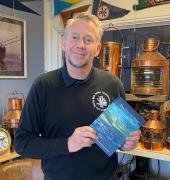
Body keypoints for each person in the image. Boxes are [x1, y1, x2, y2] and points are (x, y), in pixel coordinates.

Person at [14, 12, 141, 180]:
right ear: (63, 43)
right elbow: (22, 144)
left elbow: (119, 139)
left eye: (88, 40)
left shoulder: (112, 84)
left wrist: (127, 144)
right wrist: (68, 144)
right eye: (74, 37)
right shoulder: (43, 85)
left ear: (97, 49)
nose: (80, 45)